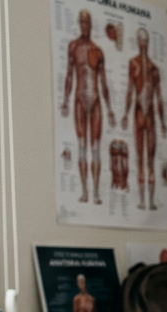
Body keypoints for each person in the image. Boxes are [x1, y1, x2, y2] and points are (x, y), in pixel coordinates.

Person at [61, 9, 115, 205]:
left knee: (96, 148)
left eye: (87, 23)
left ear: (91, 25)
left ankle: (96, 192)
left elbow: (103, 82)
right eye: (81, 23)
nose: (84, 26)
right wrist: (65, 100)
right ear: (79, 24)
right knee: (82, 147)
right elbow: (69, 75)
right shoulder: (73, 47)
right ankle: (85, 191)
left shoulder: (97, 51)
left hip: (96, 101)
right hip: (79, 100)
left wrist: (109, 109)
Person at [122, 27, 167, 211]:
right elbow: (130, 91)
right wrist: (125, 114)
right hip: (139, 114)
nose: (143, 45)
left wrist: (163, 123)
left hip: (150, 118)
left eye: (145, 42)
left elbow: (159, 98)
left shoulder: (154, 69)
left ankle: (150, 201)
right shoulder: (133, 64)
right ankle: (142, 200)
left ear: (147, 44)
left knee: (150, 160)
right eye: (141, 42)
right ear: (138, 43)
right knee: (140, 159)